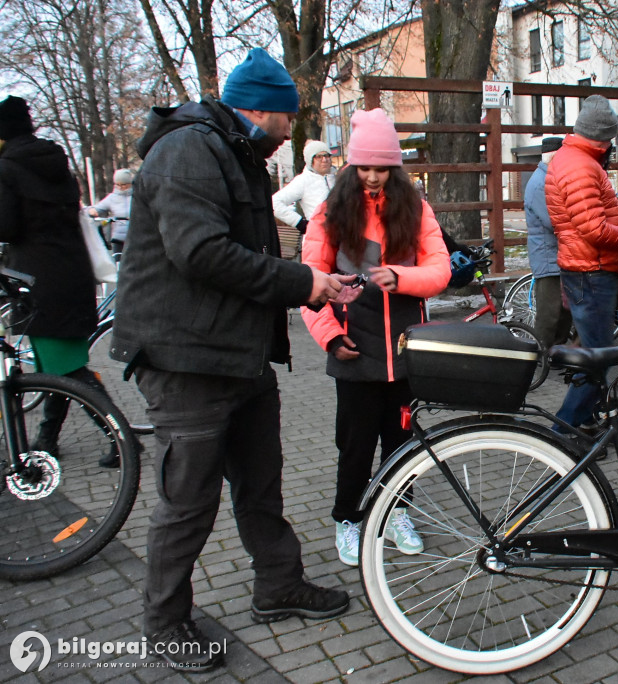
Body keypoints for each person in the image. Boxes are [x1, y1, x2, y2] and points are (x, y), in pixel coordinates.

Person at [109, 49, 353, 671]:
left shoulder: (234, 152)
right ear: (262, 110)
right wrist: (302, 282)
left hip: (235, 357)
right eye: (288, 121)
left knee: (260, 481)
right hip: (187, 359)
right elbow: (201, 253)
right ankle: (165, 624)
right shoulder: (191, 149)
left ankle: (279, 586)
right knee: (188, 501)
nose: (290, 135)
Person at [301, 108, 450, 567]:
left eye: (380, 168)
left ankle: (397, 513)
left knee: (402, 443)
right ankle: (348, 519)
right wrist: (328, 337)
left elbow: (439, 270)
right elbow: (310, 281)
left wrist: (400, 277)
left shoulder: (415, 207)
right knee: (355, 443)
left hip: (407, 353)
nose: (371, 176)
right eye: (363, 167)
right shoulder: (331, 212)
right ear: (350, 166)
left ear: (394, 167)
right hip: (354, 351)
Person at [0, 95, 123, 467]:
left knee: (68, 368)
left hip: (36, 281)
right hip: (71, 275)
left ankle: (119, 437)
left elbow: (7, 226)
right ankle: (47, 440)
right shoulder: (57, 166)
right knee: (58, 365)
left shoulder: (6, 169)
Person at [545, 95, 618, 431]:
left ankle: (583, 423)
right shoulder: (581, 165)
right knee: (597, 358)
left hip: (584, 269)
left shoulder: (572, 159)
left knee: (592, 354)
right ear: (601, 137)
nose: (611, 146)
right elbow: (593, 228)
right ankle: (564, 430)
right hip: (592, 270)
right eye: (610, 140)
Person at [525, 136, 571, 348]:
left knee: (561, 312)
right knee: (549, 314)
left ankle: (555, 353)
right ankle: (539, 356)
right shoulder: (539, 184)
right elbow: (555, 220)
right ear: (555, 157)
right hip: (547, 258)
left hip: (554, 257)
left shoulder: (548, 180)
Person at [272, 139, 335, 234]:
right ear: (310, 160)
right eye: (318, 157)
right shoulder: (303, 181)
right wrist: (300, 223)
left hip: (342, 240)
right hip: (317, 240)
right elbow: (275, 202)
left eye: (327, 155)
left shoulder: (337, 178)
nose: (324, 160)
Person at [87, 168, 134, 254]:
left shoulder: (137, 196)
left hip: (136, 237)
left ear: (130, 183)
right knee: (119, 263)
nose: (120, 187)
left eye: (124, 184)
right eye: (117, 184)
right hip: (118, 239)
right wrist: (93, 211)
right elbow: (98, 208)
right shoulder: (112, 198)